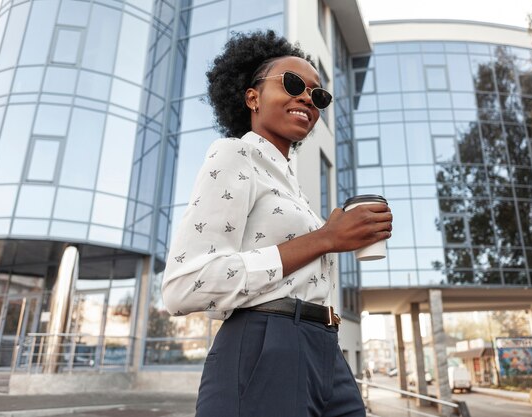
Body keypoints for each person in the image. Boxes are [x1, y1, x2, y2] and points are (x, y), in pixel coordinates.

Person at [162, 30, 392, 417]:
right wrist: (324, 239)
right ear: (252, 97)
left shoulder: (292, 185)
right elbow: (183, 286)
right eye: (292, 84)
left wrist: (333, 237)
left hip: (326, 349)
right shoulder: (234, 155)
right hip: (265, 344)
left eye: (318, 96)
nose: (307, 98)